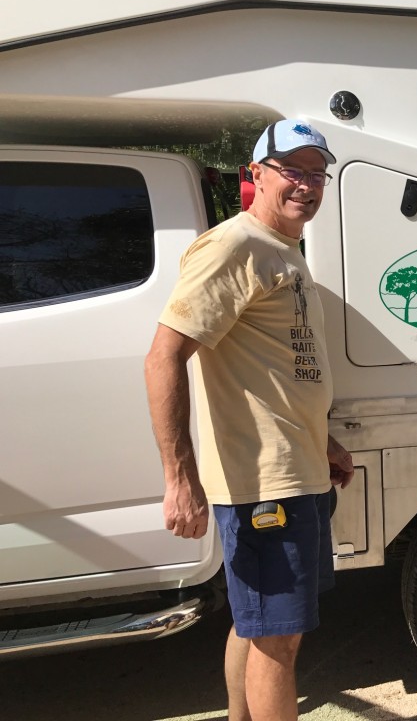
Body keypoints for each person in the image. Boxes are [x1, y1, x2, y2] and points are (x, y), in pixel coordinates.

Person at [144, 119, 354, 721]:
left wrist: (325, 441)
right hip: (264, 483)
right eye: (293, 170)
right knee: (278, 641)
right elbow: (163, 357)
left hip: (299, 468)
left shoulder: (282, 251)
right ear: (256, 173)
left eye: (317, 173)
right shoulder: (234, 245)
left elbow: (276, 373)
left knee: (258, 624)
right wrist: (179, 477)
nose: (307, 185)